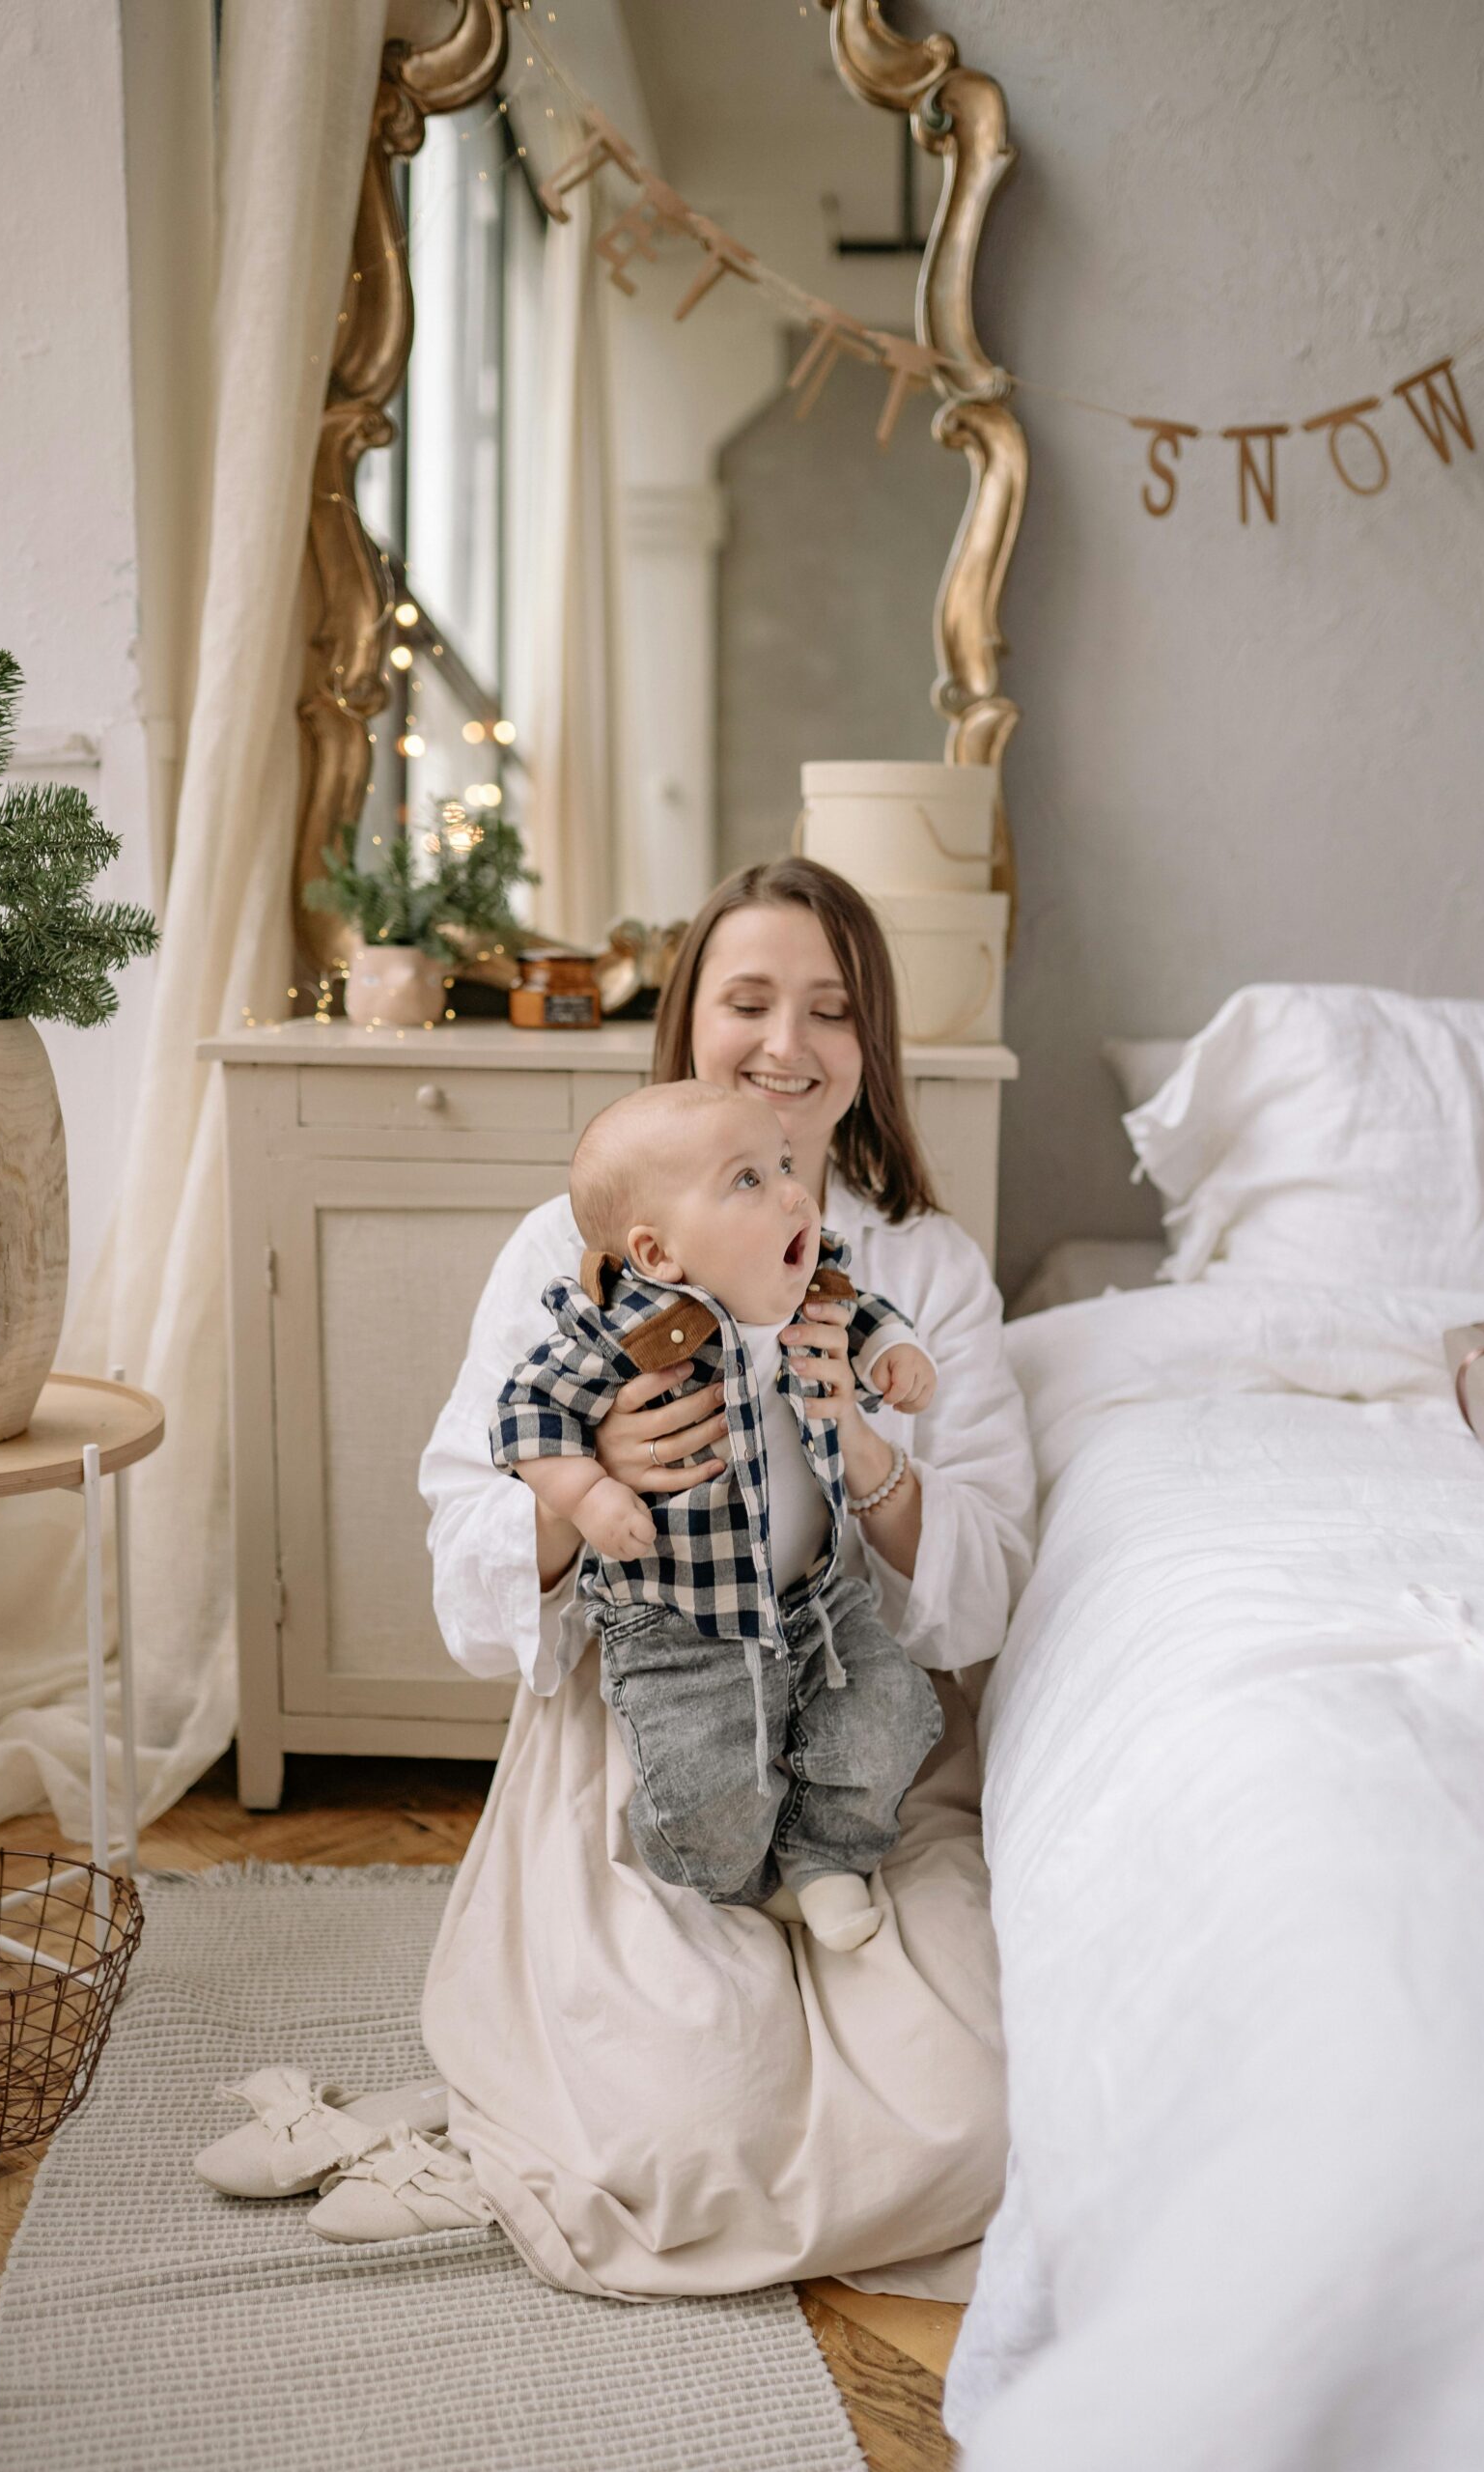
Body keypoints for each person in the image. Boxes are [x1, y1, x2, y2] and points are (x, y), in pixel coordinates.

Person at [318, 857, 1035, 2290]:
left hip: (862, 1726)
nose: (786, 1044)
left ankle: (819, 1914)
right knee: (685, 2120)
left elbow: (988, 1580)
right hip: (651, 1729)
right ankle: (537, 2125)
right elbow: (463, 1523)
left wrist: (860, 1445)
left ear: (867, 1048)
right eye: (747, 1002)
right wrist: (591, 1492)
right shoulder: (572, 1254)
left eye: (829, 1010)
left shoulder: (917, 1265)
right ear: (685, 1027)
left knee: (972, 2118)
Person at [491, 1079, 943, 1949]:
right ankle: (741, 1878)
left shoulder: (807, 1279)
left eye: (781, 1164)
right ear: (658, 1253)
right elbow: (522, 1416)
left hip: (813, 1601)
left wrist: (893, 1349)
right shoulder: (621, 1327)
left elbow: (862, 1307)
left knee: (891, 1709)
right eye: (748, 1181)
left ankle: (826, 1856)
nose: (790, 1190)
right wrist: (588, 1491)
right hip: (677, 1626)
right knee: (705, 1792)